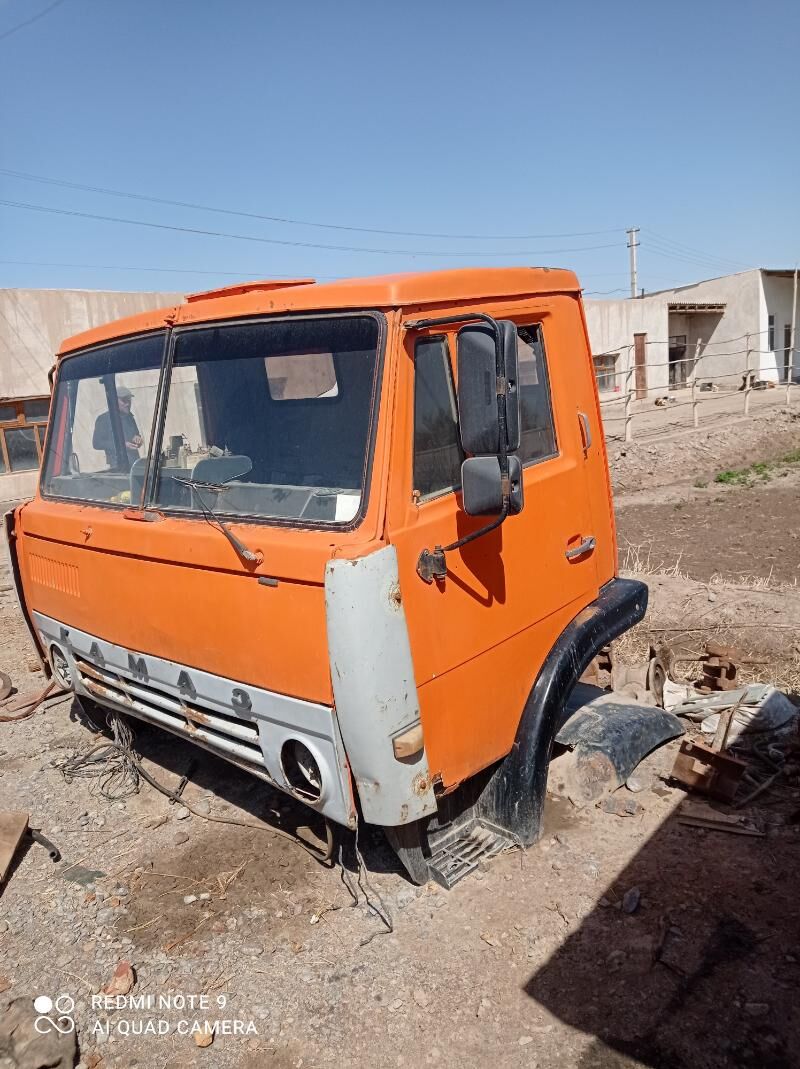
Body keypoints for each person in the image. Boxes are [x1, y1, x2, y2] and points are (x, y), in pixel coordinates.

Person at [92, 386, 143, 468]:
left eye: (129, 400)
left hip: (135, 463)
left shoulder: (129, 417)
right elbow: (97, 443)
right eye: (124, 400)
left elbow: (136, 434)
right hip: (118, 466)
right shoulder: (103, 419)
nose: (128, 404)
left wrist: (137, 438)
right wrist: (122, 444)